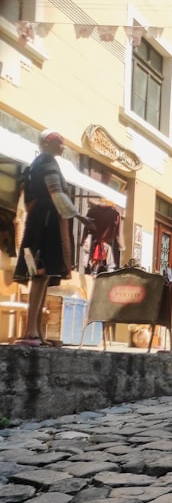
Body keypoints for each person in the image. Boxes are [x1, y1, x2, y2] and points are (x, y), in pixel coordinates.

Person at [13, 129, 93, 346]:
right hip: (44, 225)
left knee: (41, 276)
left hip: (35, 225)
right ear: (48, 143)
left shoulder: (35, 166)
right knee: (39, 275)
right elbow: (56, 192)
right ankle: (31, 333)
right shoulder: (47, 163)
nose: (63, 146)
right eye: (59, 142)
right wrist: (79, 216)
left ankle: (36, 331)